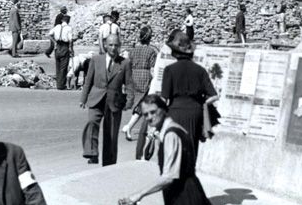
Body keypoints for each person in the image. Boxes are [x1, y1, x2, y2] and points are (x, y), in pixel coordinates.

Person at [119, 95, 216, 205]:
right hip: (182, 197)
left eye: (153, 112)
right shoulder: (170, 130)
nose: (149, 118)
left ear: (164, 110)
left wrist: (138, 195)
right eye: (146, 114)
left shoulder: (172, 134)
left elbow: (169, 177)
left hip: (184, 199)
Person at [79, 33, 133, 165]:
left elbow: (129, 84)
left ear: (119, 46)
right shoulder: (96, 60)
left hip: (114, 101)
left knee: (111, 134)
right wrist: (83, 98)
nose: (113, 48)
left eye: (116, 45)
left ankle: (109, 164)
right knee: (92, 122)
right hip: (96, 98)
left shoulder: (125, 63)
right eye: (110, 45)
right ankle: (92, 153)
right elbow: (88, 81)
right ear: (105, 45)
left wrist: (130, 101)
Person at [160, 30, 219, 146]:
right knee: (192, 148)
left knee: (175, 148)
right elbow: (214, 96)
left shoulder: (169, 70)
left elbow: (164, 99)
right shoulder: (200, 70)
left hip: (175, 113)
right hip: (195, 113)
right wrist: (204, 104)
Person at [120, 25, 160, 159]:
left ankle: (129, 127)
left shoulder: (133, 50)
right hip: (145, 78)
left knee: (140, 105)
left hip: (133, 76)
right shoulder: (151, 51)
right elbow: (153, 69)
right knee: (143, 106)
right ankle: (130, 126)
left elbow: (128, 65)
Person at [48, 12, 74, 90]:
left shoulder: (57, 27)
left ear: (62, 20)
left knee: (58, 66)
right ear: (68, 21)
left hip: (57, 47)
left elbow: (49, 34)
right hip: (64, 46)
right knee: (63, 66)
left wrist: (55, 42)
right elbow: (70, 40)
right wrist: (71, 49)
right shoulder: (69, 28)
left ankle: (58, 83)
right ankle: (61, 85)